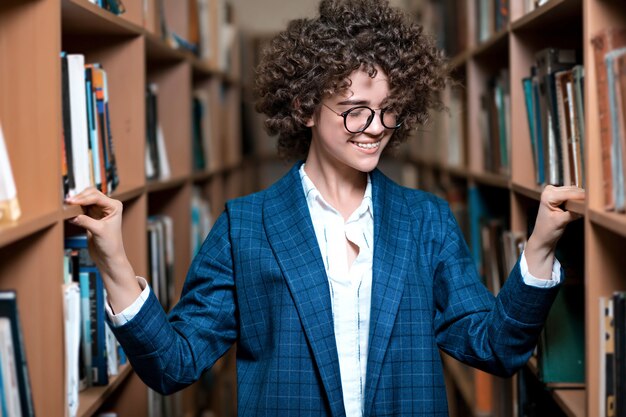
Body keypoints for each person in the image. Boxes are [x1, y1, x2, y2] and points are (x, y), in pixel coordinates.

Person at [65, 0, 586, 415]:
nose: (376, 129)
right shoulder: (245, 227)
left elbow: (493, 348)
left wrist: (540, 244)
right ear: (305, 107)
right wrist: (113, 260)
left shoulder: (426, 220)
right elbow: (174, 366)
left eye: (388, 112)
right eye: (356, 112)